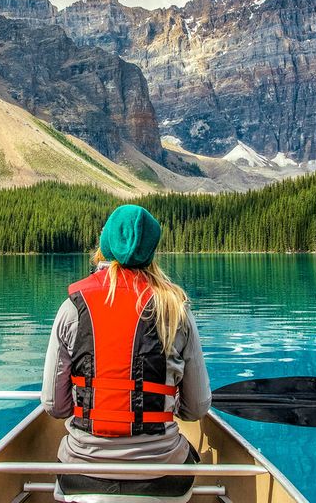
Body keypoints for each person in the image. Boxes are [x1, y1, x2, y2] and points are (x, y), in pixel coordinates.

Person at [41, 204, 211, 503]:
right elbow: (195, 409)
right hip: (162, 478)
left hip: (82, 473)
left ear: (104, 247)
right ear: (151, 251)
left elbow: (55, 406)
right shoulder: (176, 310)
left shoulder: (73, 308)